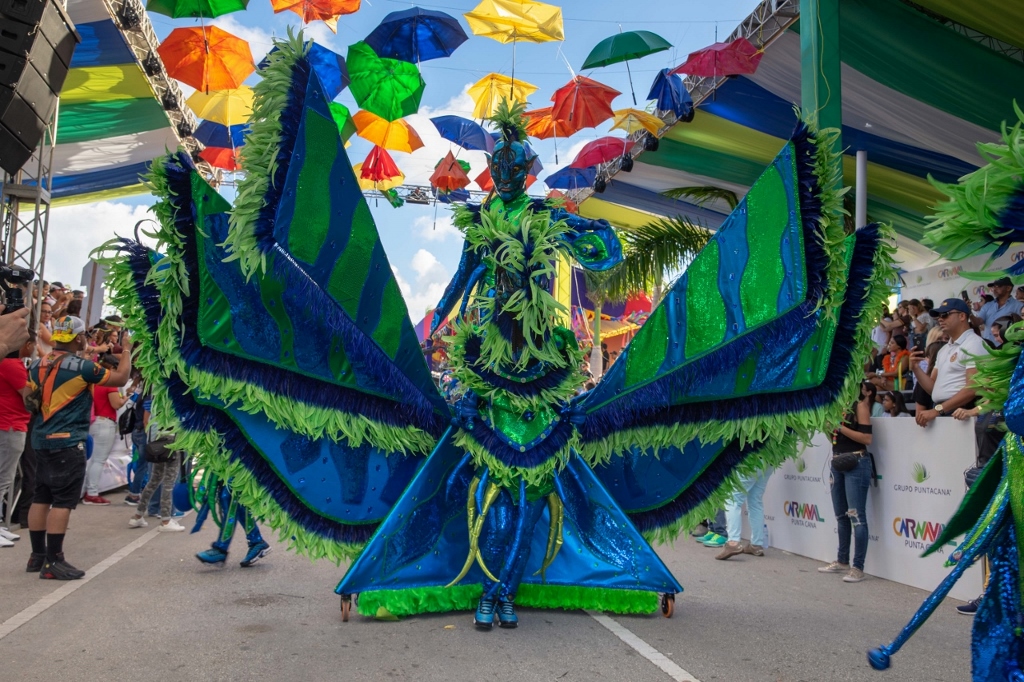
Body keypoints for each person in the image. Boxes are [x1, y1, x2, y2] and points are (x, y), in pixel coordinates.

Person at [25, 316, 132, 579]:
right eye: (83, 334)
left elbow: (30, 399)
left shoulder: (38, 363)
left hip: (40, 438)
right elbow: (120, 378)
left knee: (41, 496)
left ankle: (37, 556)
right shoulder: (82, 367)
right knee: (62, 501)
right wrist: (127, 349)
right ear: (77, 337)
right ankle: (54, 561)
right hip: (68, 439)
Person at [819, 382, 874, 583]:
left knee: (856, 516)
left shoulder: (860, 406)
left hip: (856, 461)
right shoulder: (836, 407)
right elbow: (833, 437)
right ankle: (842, 560)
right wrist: (829, 428)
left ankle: (858, 566)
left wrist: (840, 428)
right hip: (838, 461)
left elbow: (867, 438)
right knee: (841, 515)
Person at [909, 298, 989, 429]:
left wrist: (937, 410)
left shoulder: (974, 344)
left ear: (962, 316)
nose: (940, 319)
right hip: (943, 410)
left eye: (945, 315)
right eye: (939, 316)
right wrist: (916, 369)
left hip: (960, 412)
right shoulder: (944, 349)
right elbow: (933, 388)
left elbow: (973, 388)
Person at [82, 354, 133, 505]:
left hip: (94, 421)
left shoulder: (93, 382)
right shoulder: (109, 384)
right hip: (105, 422)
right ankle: (92, 492)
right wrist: (126, 397)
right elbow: (116, 404)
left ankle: (90, 490)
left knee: (94, 459)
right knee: (99, 459)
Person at [0, 336, 34, 545]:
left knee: (6, 478)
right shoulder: (12, 365)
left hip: (11, 424)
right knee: (3, 478)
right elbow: (29, 396)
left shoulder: (8, 363)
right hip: (11, 425)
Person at [127, 418, 185, 532]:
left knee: (154, 480)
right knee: (169, 482)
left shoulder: (157, 401)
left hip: (158, 440)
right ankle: (166, 521)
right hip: (173, 440)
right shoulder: (179, 400)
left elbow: (149, 420)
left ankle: (137, 516)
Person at [715, 465, 774, 560]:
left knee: (732, 499)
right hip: (770, 459)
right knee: (755, 501)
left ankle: (733, 543)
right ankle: (756, 545)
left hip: (751, 459)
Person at [973, 277, 1023, 344]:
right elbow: (977, 322)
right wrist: (969, 312)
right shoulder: (988, 305)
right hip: (988, 348)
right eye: (994, 287)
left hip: (1007, 349)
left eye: (998, 286)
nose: (994, 289)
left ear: (1008, 288)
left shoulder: (1019, 306)